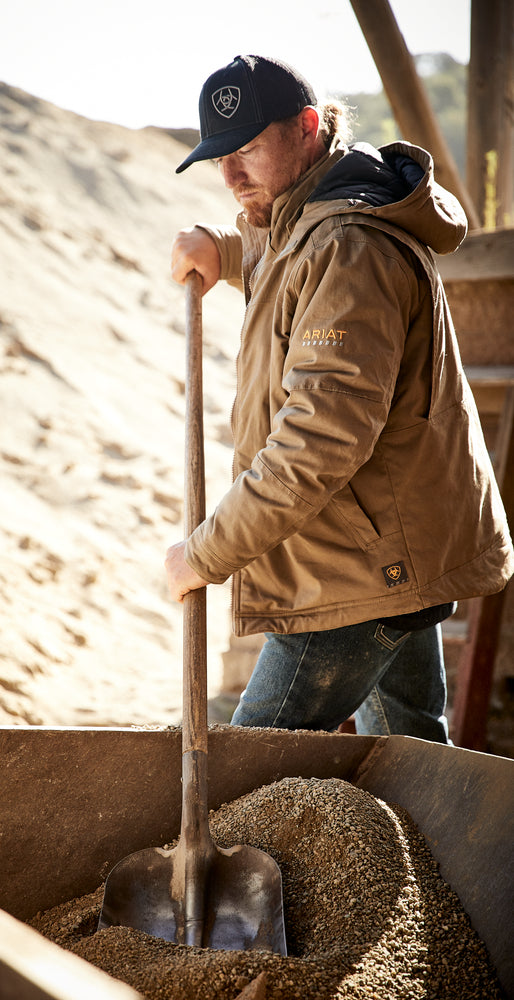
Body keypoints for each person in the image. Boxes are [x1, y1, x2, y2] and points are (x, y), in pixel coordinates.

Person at [165, 54, 514, 742]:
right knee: (413, 765)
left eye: (247, 152)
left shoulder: (349, 244)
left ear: (305, 128)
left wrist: (203, 554)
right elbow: (291, 256)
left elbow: (319, 440)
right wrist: (227, 252)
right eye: (219, 161)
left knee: (252, 770)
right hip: (382, 547)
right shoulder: (317, 214)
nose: (232, 179)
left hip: (358, 570)